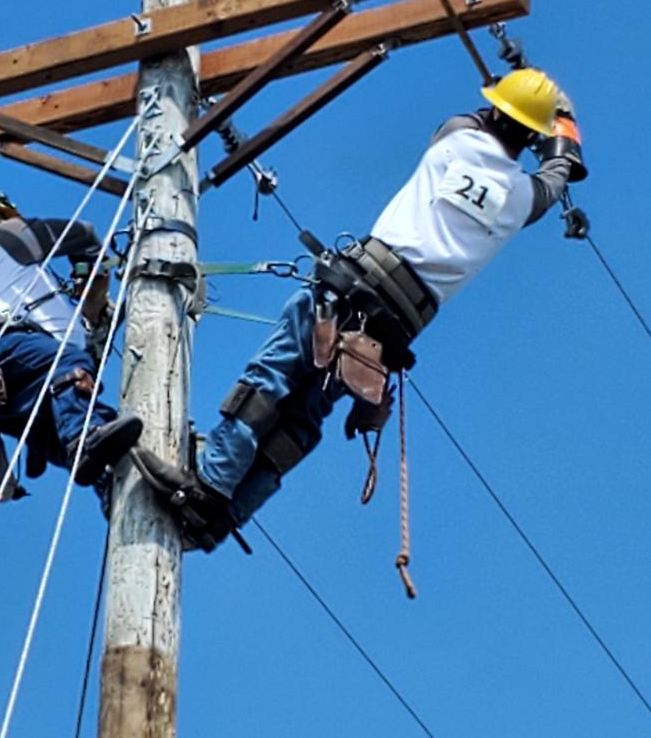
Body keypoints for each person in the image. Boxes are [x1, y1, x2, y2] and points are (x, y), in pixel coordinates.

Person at [135, 68, 588, 551]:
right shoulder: (520, 200)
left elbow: (470, 118)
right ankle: (222, 518)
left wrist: (529, 98)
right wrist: (564, 132)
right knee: (303, 417)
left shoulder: (456, 144)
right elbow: (554, 182)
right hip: (391, 330)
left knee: (270, 380)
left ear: (495, 111)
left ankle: (208, 484)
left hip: (355, 289)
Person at [0, 199, 142, 504]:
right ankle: (83, 437)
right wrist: (92, 270)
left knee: (74, 432)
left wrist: (93, 316)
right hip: (12, 349)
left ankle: (110, 487)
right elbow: (83, 234)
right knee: (70, 373)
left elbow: (81, 342)